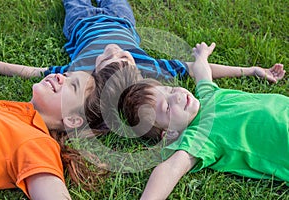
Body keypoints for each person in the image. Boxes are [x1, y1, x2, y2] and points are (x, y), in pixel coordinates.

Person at [115, 42, 288, 199]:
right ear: (169, 133)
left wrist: (202, 56)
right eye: (167, 107)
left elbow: (202, 71)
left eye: (171, 89)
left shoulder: (207, 95)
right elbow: (170, 169)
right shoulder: (199, 137)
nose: (177, 96)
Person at [0, 0, 283, 84]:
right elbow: (197, 68)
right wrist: (251, 70)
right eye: (125, 57)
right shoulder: (149, 68)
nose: (118, 51)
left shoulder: (80, 72)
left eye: (109, 57)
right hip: (121, 20)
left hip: (81, 22)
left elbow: (33, 71)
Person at [0, 70, 107, 200]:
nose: (59, 76)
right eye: (66, 75)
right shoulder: (13, 112)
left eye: (73, 86)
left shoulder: (38, 143)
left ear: (72, 119)